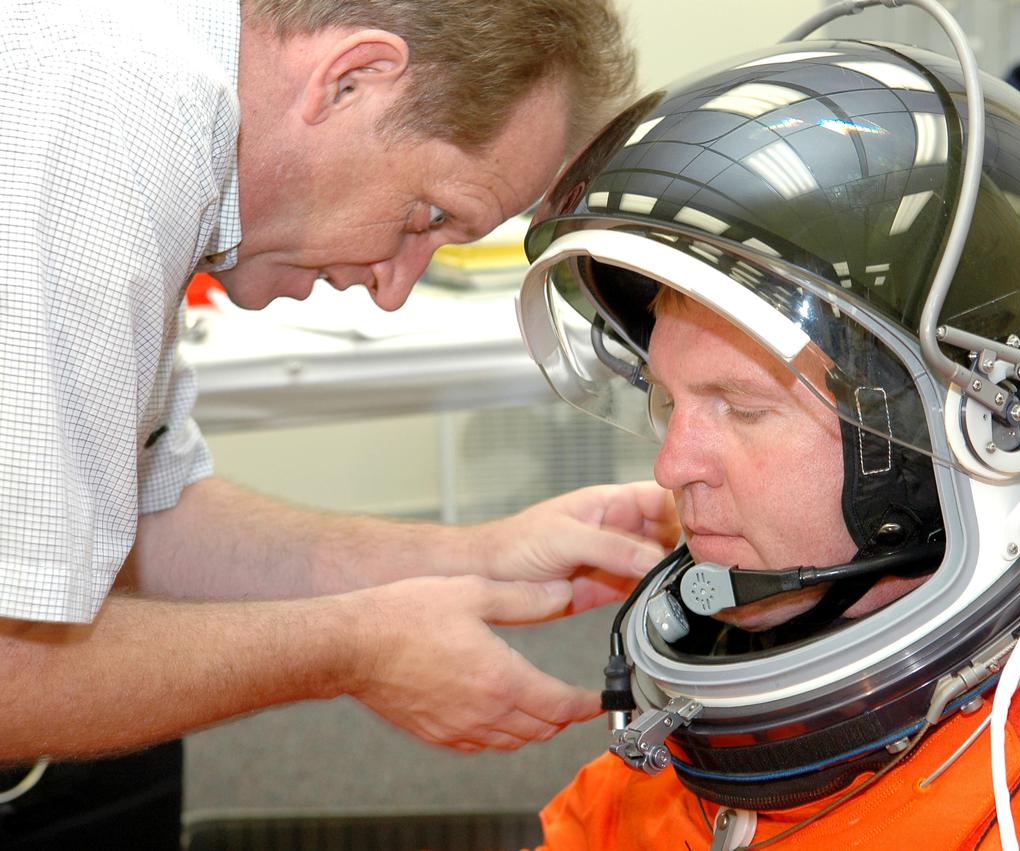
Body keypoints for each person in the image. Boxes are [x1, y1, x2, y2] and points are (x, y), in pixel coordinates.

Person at [513, 24, 1020, 851]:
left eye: (741, 406)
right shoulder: (694, 743)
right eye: (669, 401)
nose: (673, 465)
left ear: (949, 439)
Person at [0, 0, 677, 842]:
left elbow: (151, 515)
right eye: (426, 216)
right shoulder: (113, 114)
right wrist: (354, 648)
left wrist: (471, 555)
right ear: (351, 78)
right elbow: (10, 664)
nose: (395, 288)